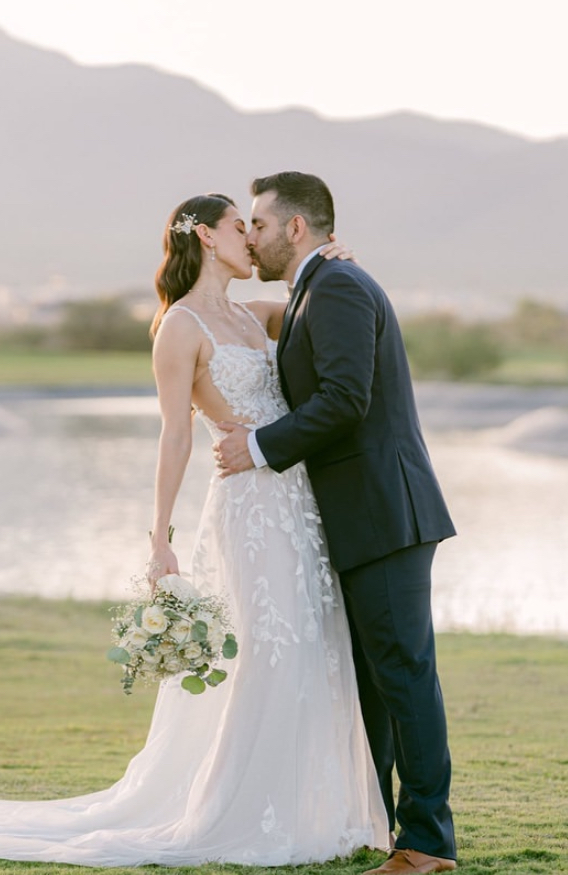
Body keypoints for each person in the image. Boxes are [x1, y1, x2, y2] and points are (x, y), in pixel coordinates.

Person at [0, 192, 389, 867]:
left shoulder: (255, 314)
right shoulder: (179, 328)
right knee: (265, 650)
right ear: (206, 236)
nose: (252, 239)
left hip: (297, 504)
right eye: (241, 227)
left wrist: (336, 262)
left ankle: (313, 809)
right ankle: (236, 811)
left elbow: (314, 304)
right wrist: (159, 537)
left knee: (311, 643)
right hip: (246, 510)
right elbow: (175, 435)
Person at [214, 172, 458, 875]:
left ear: (295, 228)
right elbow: (269, 325)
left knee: (404, 677)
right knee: (376, 685)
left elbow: (348, 399)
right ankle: (379, 826)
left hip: (385, 513)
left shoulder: (341, 287)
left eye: (258, 223)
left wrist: (258, 447)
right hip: (359, 518)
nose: (251, 235)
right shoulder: (314, 289)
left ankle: (427, 843)